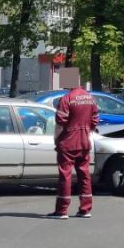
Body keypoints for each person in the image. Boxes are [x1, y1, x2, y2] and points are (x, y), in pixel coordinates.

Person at [48, 84, 99, 219]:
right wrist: (85, 132)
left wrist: (56, 139)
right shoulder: (90, 98)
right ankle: (85, 209)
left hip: (68, 142)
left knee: (65, 175)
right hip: (84, 142)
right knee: (84, 175)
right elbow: (94, 120)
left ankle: (62, 210)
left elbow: (60, 123)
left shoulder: (67, 99)